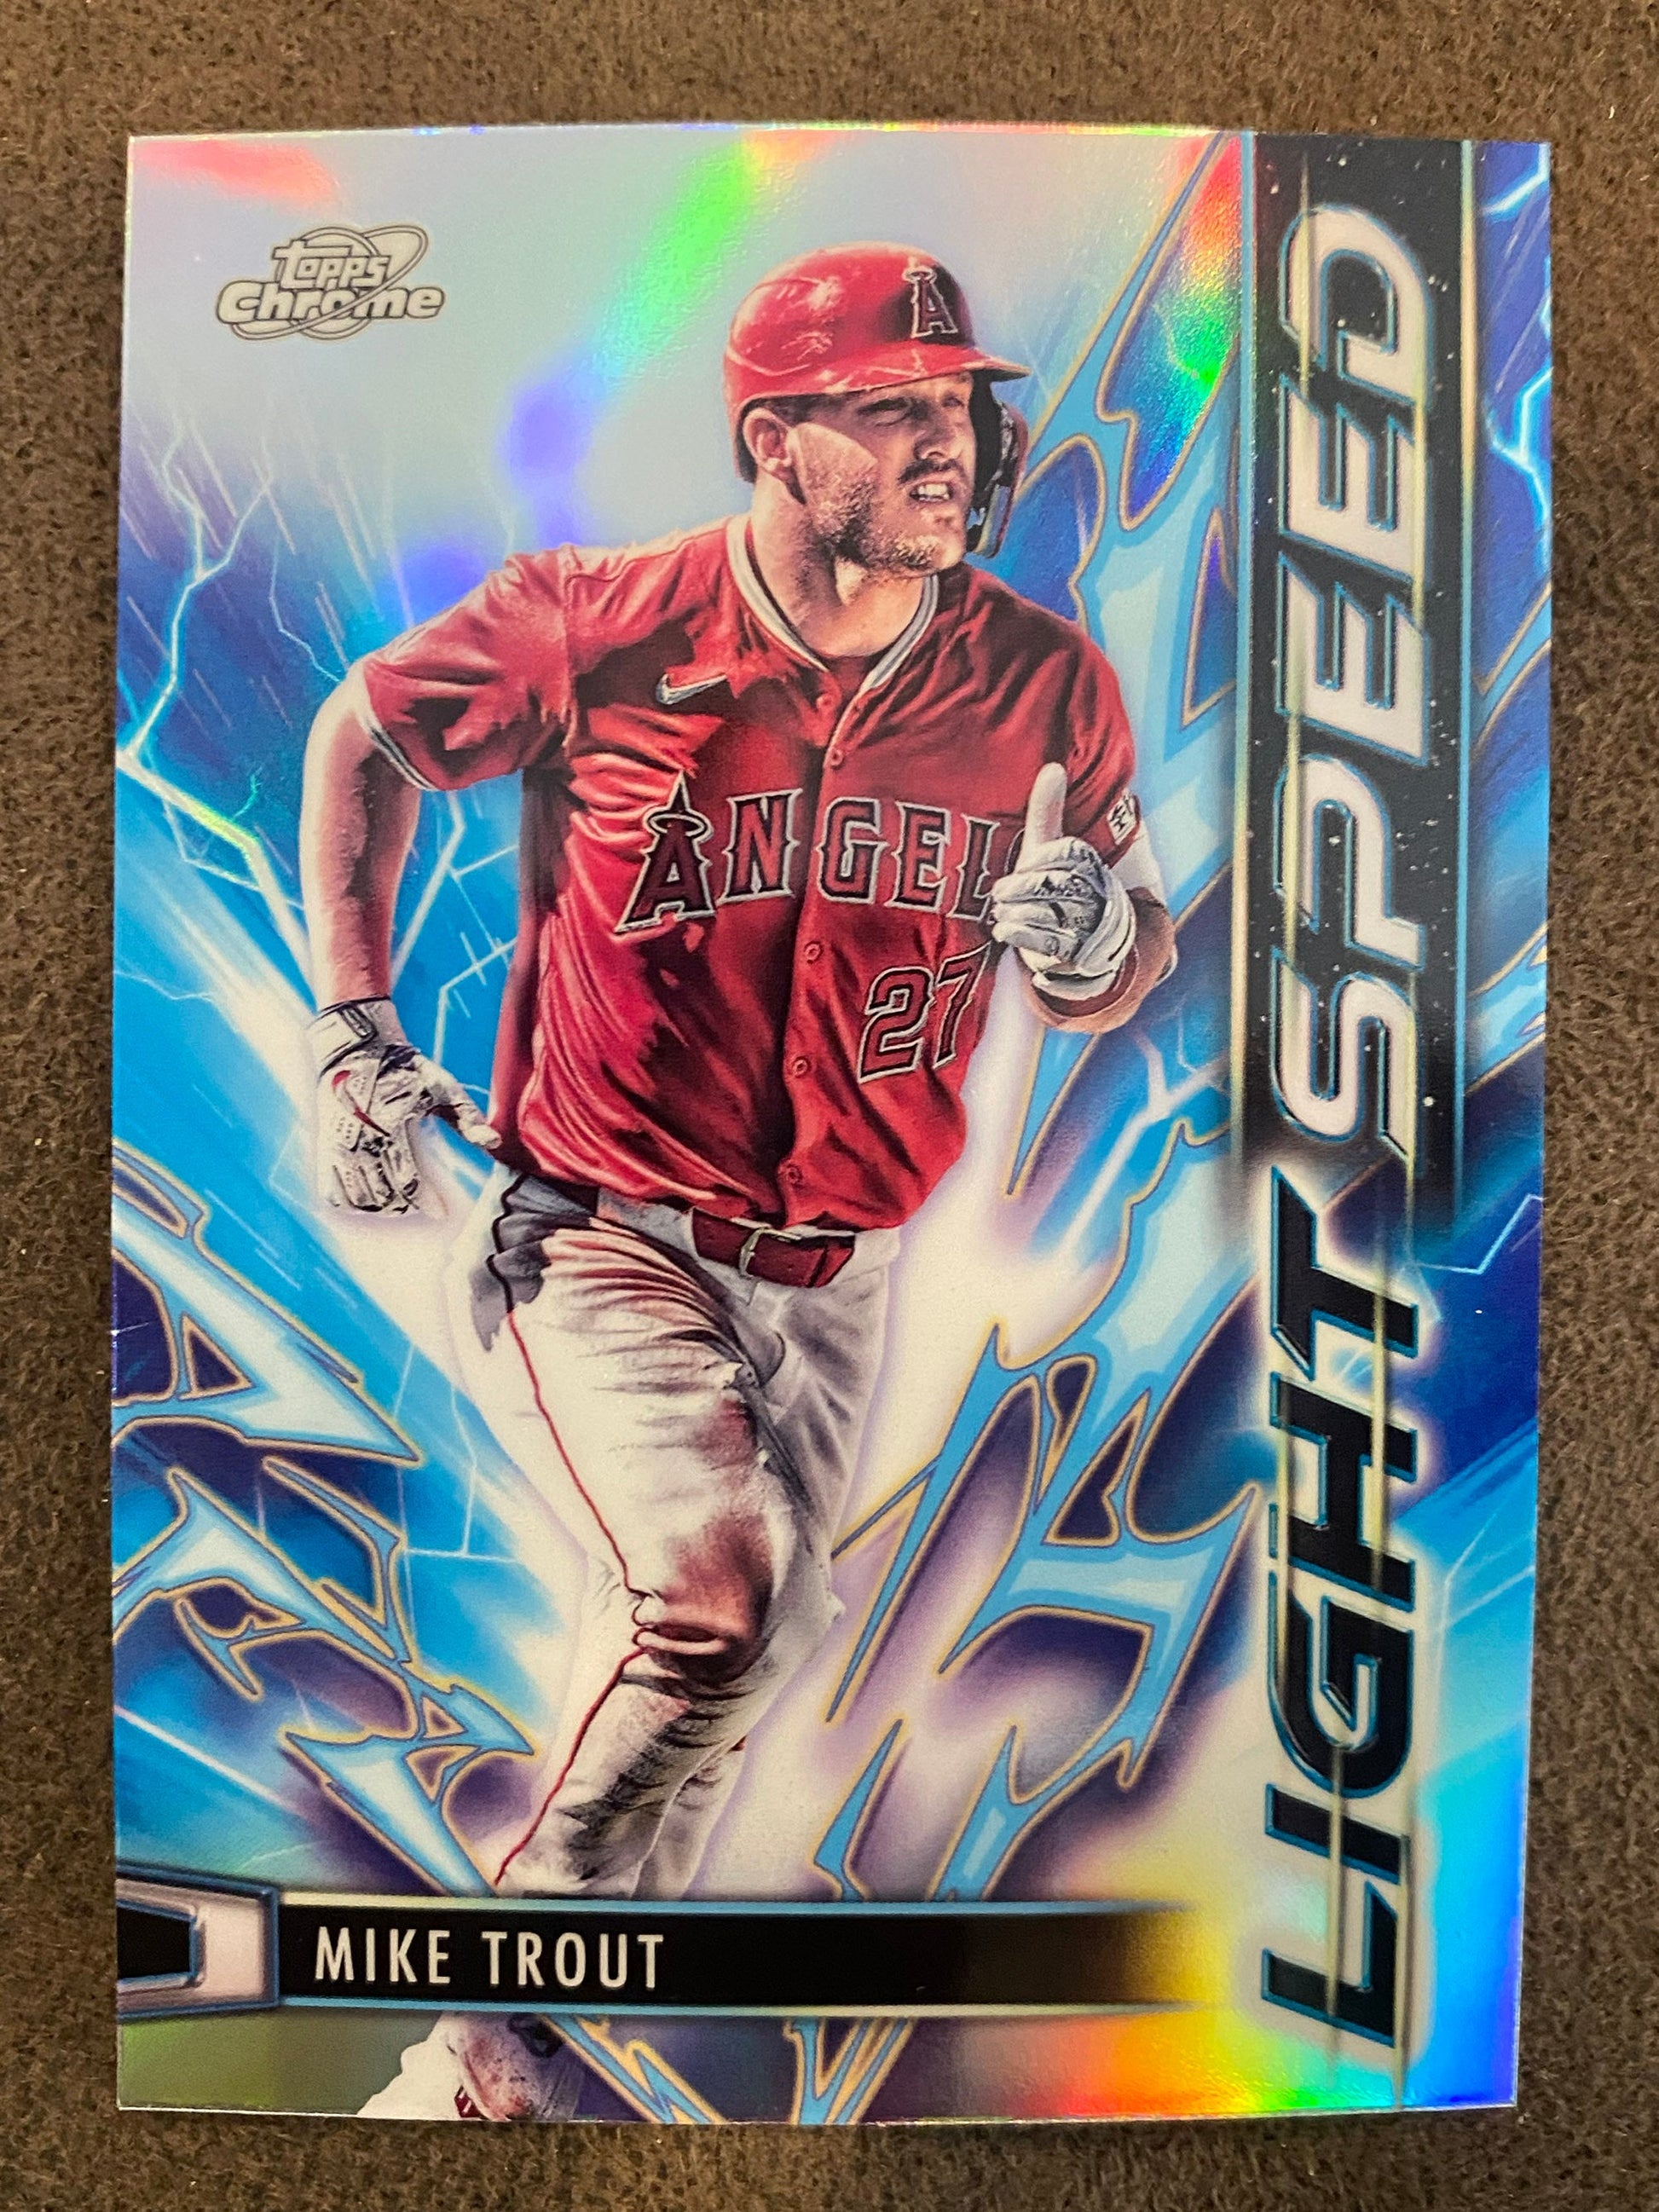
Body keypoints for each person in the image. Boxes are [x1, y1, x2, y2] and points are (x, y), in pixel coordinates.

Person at [303, 243, 1176, 2120]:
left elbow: (1124, 941)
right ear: (775, 439)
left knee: (723, 1685)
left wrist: (1099, 939)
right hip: (603, 1233)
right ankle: (479, 2040)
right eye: (893, 410)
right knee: (723, 1604)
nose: (948, 446)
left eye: (959, 407)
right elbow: (360, 733)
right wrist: (352, 1020)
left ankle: (523, 2083)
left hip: (846, 1272)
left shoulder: (1042, 682)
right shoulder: (600, 622)